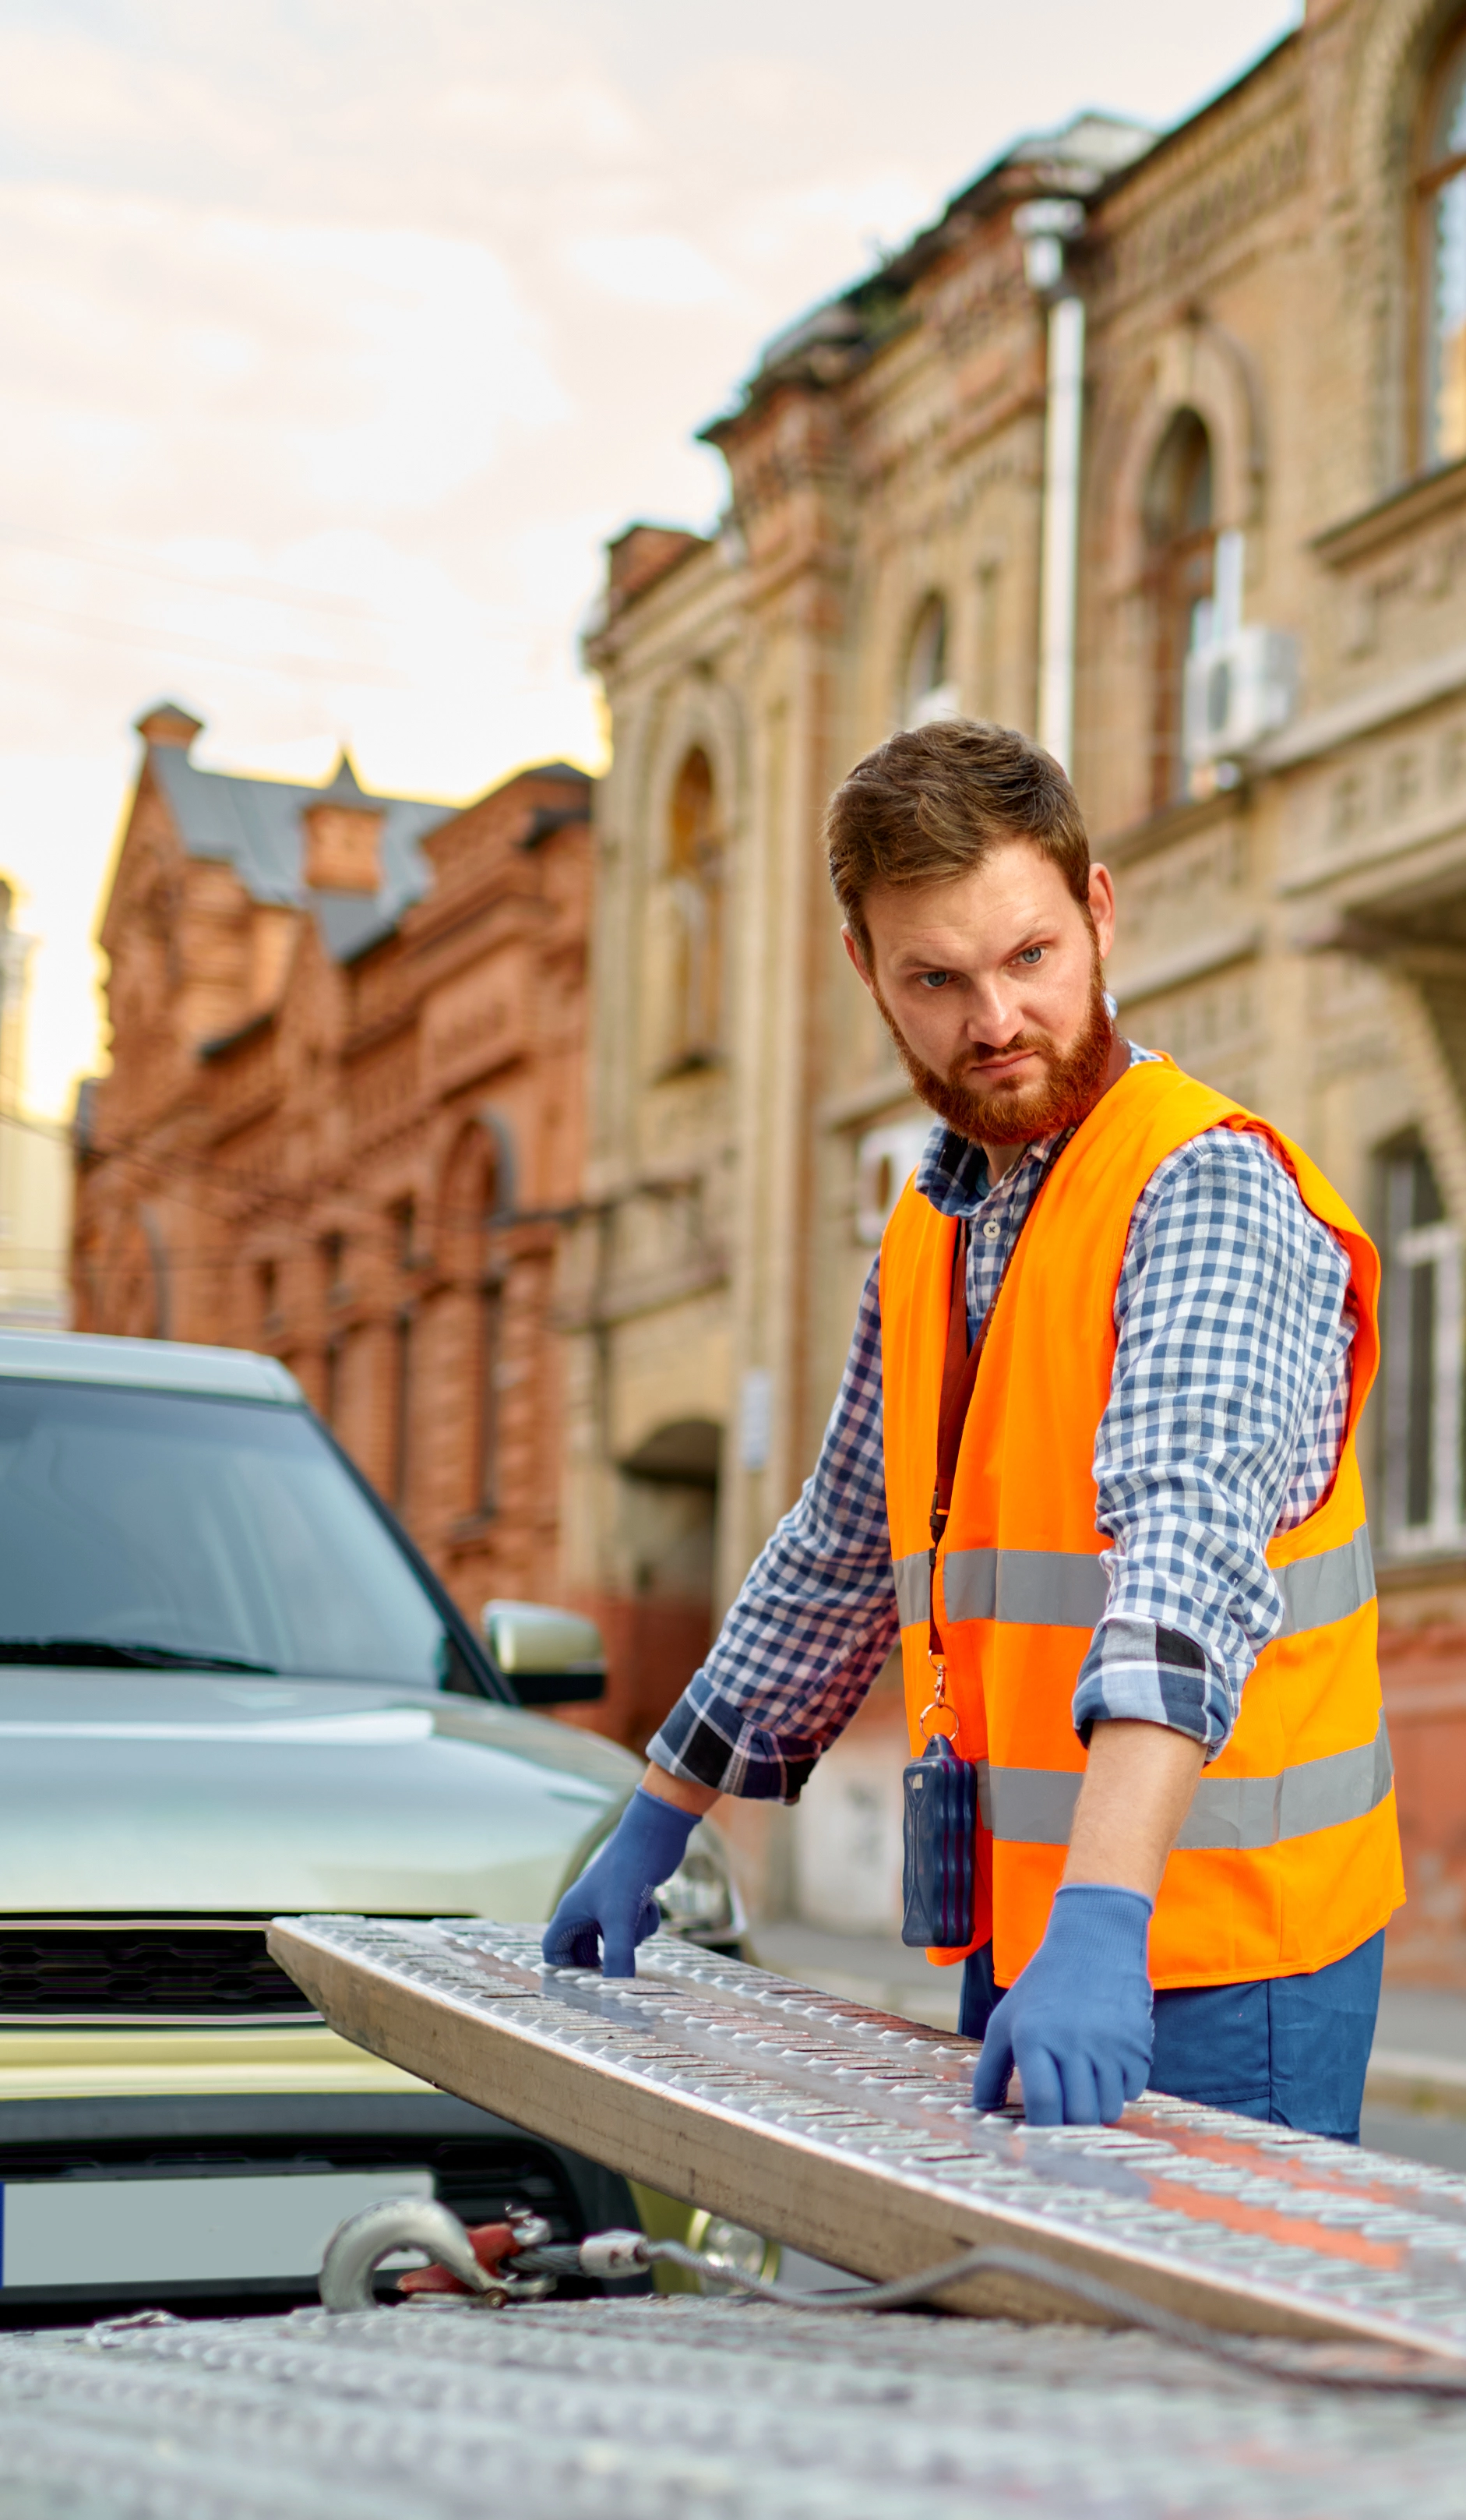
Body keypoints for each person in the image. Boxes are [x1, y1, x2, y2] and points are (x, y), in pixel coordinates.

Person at [544, 722, 1400, 2138]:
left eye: (1030, 959)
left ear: (1100, 915)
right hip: (1032, 1941)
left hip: (1215, 1954)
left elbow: (1181, 1556)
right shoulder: (934, 1225)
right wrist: (663, 1814)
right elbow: (840, 1543)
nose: (993, 1020)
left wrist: (1105, 1921)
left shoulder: (1207, 1190)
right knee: (1019, 2350)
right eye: (935, 979)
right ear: (865, 974)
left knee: (1199, 2361)